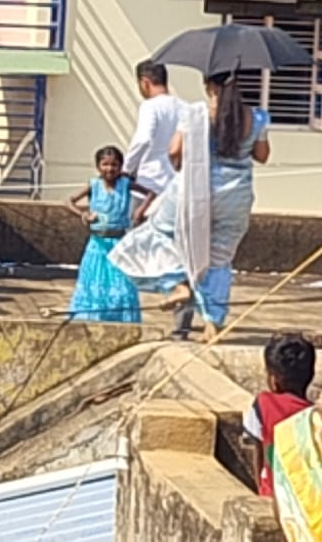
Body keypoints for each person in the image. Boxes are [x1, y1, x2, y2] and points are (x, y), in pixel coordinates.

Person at [112, 73, 270, 340]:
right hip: (235, 196)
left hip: (193, 191)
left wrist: (179, 167)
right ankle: (212, 325)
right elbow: (262, 156)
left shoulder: (195, 113)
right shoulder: (256, 117)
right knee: (219, 259)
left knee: (164, 234)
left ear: (209, 86)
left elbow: (174, 151)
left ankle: (179, 282)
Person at [66, 146, 145, 323]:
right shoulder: (94, 185)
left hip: (118, 244)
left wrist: (140, 211)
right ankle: (93, 318)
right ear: (98, 166)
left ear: (120, 166)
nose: (110, 169)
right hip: (97, 244)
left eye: (114, 165)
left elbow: (151, 193)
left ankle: (120, 318)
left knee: (120, 284)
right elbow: (69, 201)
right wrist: (83, 214)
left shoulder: (125, 184)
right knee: (95, 282)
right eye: (105, 164)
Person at [244, 334, 315, 499]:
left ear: (273, 380)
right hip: (307, 500)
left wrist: (261, 489)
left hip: (273, 494)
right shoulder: (314, 415)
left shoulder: (263, 404)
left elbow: (257, 451)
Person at [123, 60, 181, 219]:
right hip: (175, 185)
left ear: (145, 82)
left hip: (148, 183)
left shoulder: (150, 106)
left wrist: (126, 169)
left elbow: (143, 139)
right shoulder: (184, 107)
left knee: (136, 230)